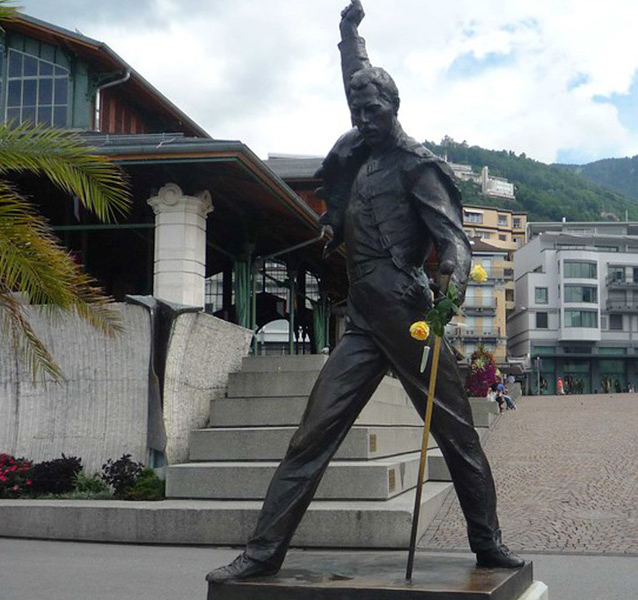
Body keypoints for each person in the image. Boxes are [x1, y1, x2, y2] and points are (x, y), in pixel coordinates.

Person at [207, 1, 523, 583]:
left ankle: (488, 542)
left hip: (409, 319)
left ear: (395, 108)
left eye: (374, 109)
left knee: (456, 435)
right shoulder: (355, 154)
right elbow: (354, 77)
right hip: (361, 324)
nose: (364, 117)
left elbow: (452, 239)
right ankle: (263, 552)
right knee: (312, 435)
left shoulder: (413, 165)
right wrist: (348, 34)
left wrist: (450, 281)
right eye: (358, 109)